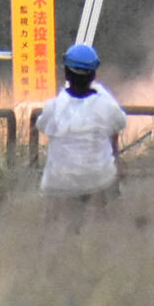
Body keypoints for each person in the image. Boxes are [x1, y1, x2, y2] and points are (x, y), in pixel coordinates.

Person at [36, 42, 126, 203]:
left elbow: (41, 125)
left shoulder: (53, 108)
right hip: (99, 181)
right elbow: (119, 122)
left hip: (59, 184)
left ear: (66, 74)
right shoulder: (106, 106)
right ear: (93, 75)